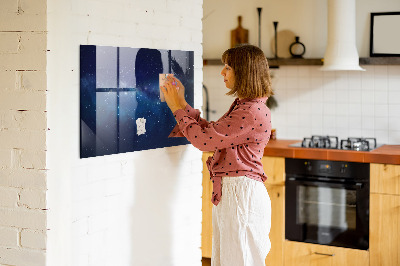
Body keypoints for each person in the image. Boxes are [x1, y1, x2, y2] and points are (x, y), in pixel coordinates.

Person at [161, 44, 273, 266]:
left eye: (228, 67)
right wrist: (182, 103)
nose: (222, 72)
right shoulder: (246, 106)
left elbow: (204, 141)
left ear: (244, 72)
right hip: (236, 193)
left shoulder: (250, 111)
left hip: (241, 195)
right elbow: (212, 133)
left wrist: (176, 108)